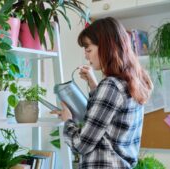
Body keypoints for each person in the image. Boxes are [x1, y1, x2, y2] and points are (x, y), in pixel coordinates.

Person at [51, 17, 153, 169]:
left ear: (106, 46)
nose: (86, 56)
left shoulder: (111, 86)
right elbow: (109, 125)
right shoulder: (132, 81)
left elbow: (81, 145)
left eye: (89, 50)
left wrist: (68, 121)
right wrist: (94, 86)